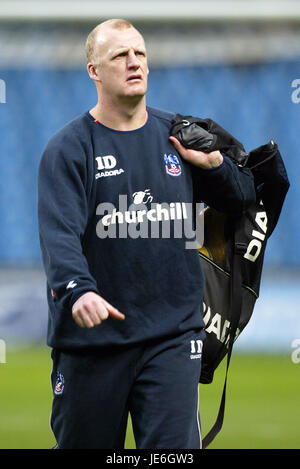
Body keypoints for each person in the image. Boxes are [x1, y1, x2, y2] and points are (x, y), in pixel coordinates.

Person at [38, 18, 256, 449]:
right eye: (120, 55)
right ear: (94, 71)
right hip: (92, 345)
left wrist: (216, 166)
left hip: (172, 336)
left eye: (140, 53)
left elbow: (242, 201)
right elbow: (58, 233)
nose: (134, 62)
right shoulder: (69, 148)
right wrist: (77, 291)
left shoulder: (180, 135)